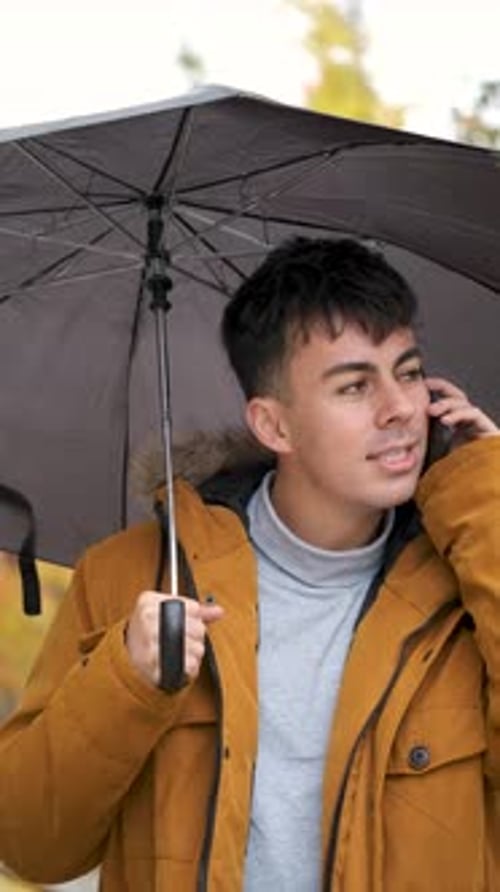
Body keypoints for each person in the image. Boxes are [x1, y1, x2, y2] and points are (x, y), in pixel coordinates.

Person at [0, 237, 499, 892]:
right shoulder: (131, 576)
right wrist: (125, 680)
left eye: (407, 372)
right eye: (355, 386)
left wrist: (486, 501)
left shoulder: (468, 574)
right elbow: (31, 846)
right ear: (273, 426)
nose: (401, 409)